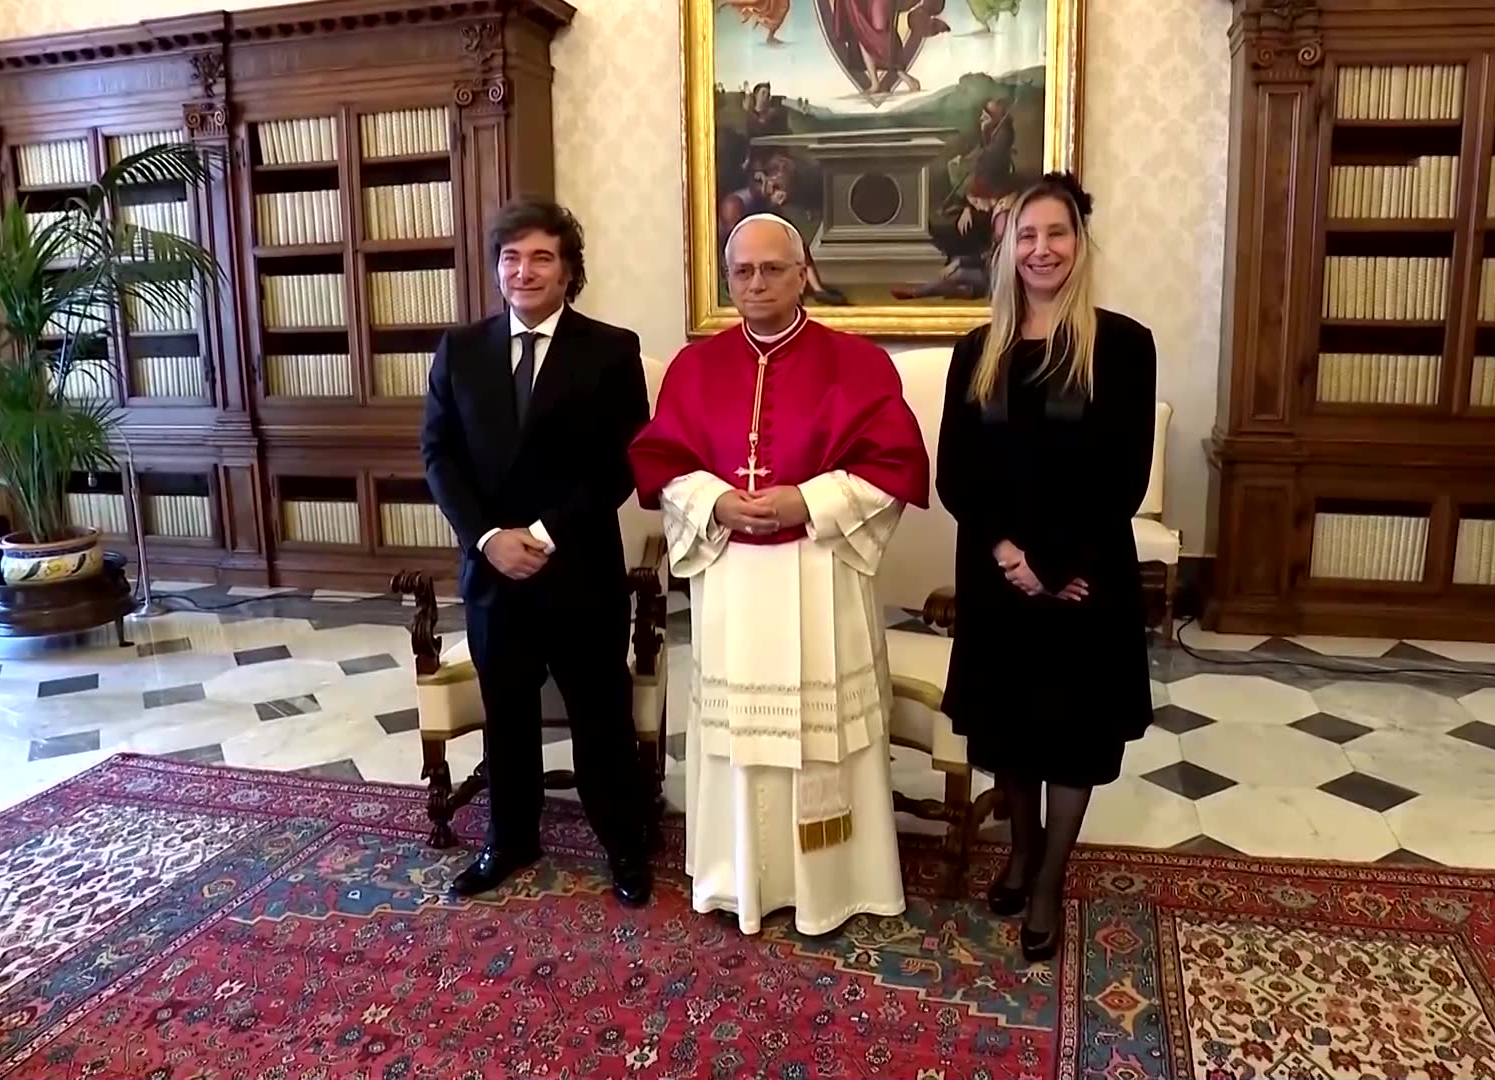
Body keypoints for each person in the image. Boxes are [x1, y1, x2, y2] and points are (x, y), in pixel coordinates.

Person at [627, 213, 930, 935]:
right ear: (728, 280)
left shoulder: (859, 363)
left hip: (818, 571)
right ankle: (739, 875)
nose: (756, 283)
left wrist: (808, 499)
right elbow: (662, 463)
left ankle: (835, 883)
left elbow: (896, 468)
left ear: (803, 275)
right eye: (743, 271)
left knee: (821, 737)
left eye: (772, 269)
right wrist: (717, 500)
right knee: (739, 740)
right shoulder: (694, 369)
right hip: (733, 577)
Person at [935, 172, 1157, 962]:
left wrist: (1056, 565)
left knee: (1072, 733)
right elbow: (954, 474)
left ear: (1080, 242)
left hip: (1085, 577)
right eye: (1025, 235)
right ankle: (1021, 848)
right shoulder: (976, 351)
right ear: (1006, 248)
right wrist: (1008, 556)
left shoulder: (1124, 345)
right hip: (997, 577)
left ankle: (1047, 880)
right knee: (1012, 728)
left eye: (1055, 233)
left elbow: (1124, 475)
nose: (1040, 249)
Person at [420, 196, 654, 907]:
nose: (524, 271)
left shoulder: (612, 349)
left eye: (542, 257)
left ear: (569, 271)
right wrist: (489, 538)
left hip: (578, 568)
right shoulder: (460, 350)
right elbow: (438, 454)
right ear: (497, 268)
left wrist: (545, 534)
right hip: (494, 573)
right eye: (511, 257)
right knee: (509, 718)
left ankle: (624, 845)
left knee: (600, 717)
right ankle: (510, 839)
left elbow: (626, 462)